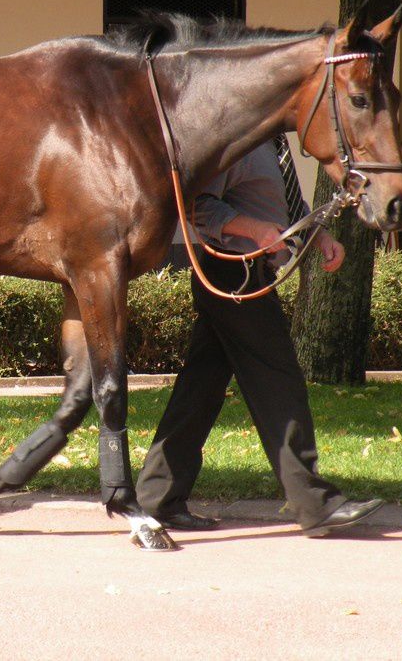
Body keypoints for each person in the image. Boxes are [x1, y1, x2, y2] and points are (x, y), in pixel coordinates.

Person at [135, 139, 384, 537]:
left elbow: (287, 205)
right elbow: (196, 206)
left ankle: (157, 497)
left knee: (200, 388)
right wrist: (254, 229)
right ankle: (314, 504)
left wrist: (321, 237)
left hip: (248, 278)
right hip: (232, 277)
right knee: (278, 380)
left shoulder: (274, 146)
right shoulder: (235, 144)